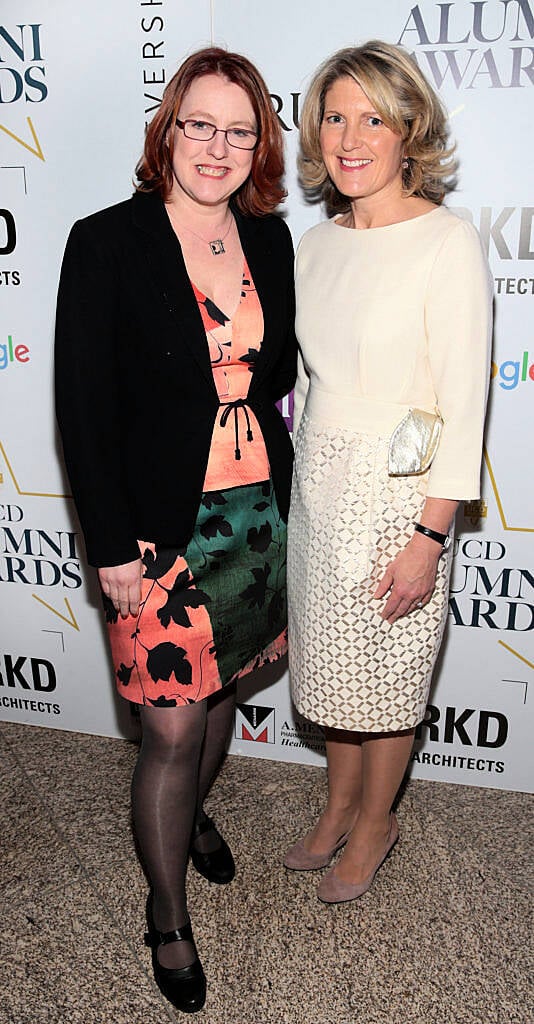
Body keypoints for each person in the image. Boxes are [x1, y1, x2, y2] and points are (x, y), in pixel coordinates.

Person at [55, 47, 296, 1012]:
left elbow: (275, 376)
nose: (218, 147)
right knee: (170, 726)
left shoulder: (270, 242)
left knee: (227, 688)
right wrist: (109, 544)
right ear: (168, 129)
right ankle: (166, 913)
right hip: (156, 531)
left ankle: (195, 818)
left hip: (252, 520)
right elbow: (82, 406)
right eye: (200, 124)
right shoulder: (107, 240)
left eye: (239, 131)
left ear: (258, 145)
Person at [285, 40, 492, 903]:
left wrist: (427, 535)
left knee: (387, 673)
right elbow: (303, 381)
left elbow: (459, 405)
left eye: (374, 116)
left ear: (410, 130)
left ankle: (377, 823)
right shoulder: (314, 243)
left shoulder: (445, 244)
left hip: (398, 494)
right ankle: (337, 808)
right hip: (317, 488)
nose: (352, 135)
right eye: (336, 116)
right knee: (334, 668)